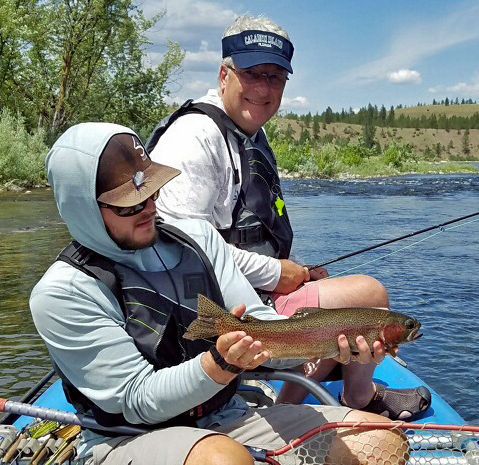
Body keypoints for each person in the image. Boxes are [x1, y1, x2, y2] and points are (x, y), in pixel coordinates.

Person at [30, 122, 411, 465]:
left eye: (152, 191)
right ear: (82, 208)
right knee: (223, 461)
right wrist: (220, 364)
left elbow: (261, 325)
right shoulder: (63, 293)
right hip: (127, 439)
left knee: (381, 440)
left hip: (227, 417)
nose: (150, 208)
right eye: (129, 204)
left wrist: (317, 342)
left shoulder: (198, 238)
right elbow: (137, 401)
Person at [146, 14, 430, 418]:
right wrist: (276, 273)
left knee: (342, 307)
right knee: (371, 296)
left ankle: (285, 406)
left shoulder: (248, 135)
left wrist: (296, 272)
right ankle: (359, 401)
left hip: (248, 291)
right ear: (223, 73)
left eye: (275, 77)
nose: (263, 88)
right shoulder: (193, 139)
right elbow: (184, 248)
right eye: (251, 73)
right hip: (215, 308)